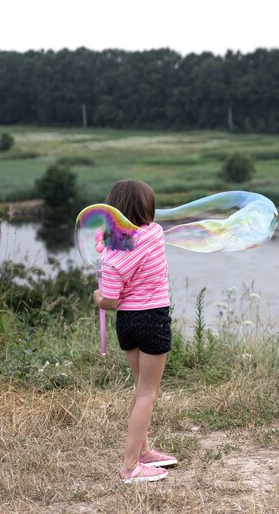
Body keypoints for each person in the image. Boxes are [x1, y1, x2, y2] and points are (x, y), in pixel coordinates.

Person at [92, 179, 177, 484]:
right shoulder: (154, 234)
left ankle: (143, 452)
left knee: (141, 389)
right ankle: (130, 467)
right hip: (152, 318)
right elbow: (145, 230)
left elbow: (110, 299)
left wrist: (96, 297)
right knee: (148, 393)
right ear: (146, 209)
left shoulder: (111, 253)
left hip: (126, 323)